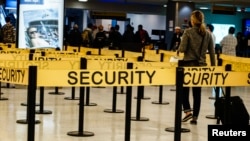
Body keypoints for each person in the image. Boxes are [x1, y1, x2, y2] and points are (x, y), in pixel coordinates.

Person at [178, 10, 216, 125]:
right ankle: (195, 117)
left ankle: (188, 112)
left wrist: (179, 46)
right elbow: (212, 52)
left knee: (184, 90)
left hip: (188, 65)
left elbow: (182, 49)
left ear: (193, 20)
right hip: (201, 66)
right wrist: (213, 67)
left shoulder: (188, 32)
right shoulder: (208, 34)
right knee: (197, 93)